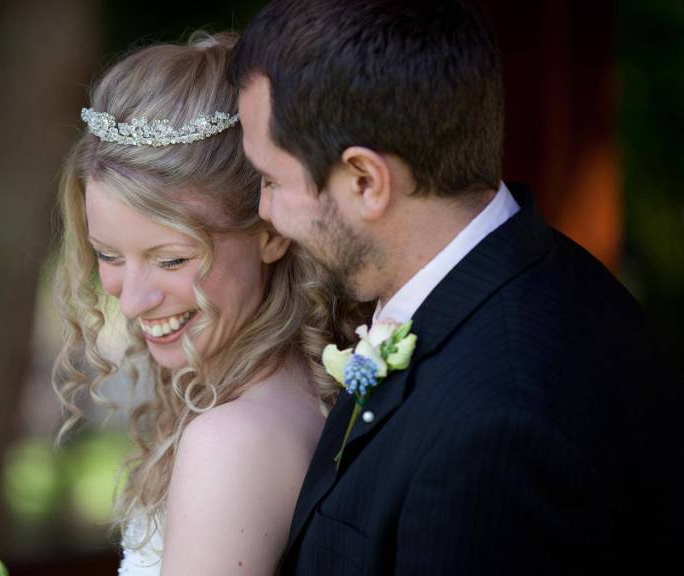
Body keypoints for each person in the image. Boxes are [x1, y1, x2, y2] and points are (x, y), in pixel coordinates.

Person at [229, 0, 682, 573]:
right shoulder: (549, 280)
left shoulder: (499, 429)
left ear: (366, 180)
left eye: (271, 180)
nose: (265, 212)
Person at [52, 32, 361, 575]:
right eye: (108, 255)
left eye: (171, 259)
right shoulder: (287, 389)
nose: (134, 302)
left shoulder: (232, 443)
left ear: (271, 231)